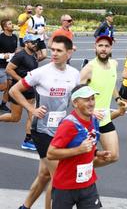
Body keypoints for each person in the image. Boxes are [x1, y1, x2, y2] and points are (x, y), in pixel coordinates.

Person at [10, 35, 80, 209]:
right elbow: (14, 91)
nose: (54, 53)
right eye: (52, 50)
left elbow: (75, 100)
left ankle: (25, 207)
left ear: (69, 53)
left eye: (59, 50)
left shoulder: (74, 74)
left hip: (61, 131)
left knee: (44, 175)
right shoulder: (41, 72)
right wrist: (31, 109)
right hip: (41, 131)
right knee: (59, 176)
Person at [47, 84, 111, 209]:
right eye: (87, 100)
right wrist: (78, 150)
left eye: (93, 98)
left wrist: (97, 153)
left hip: (88, 183)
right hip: (66, 186)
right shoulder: (68, 125)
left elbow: (88, 143)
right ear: (75, 103)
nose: (91, 103)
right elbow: (51, 153)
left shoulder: (93, 120)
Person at [80, 35, 127, 168]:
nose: (103, 49)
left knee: (113, 156)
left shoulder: (114, 64)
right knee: (85, 154)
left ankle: (83, 167)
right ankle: (79, 168)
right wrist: (91, 111)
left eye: (106, 46)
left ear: (110, 48)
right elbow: (76, 96)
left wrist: (118, 99)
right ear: (95, 47)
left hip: (105, 119)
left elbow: (111, 84)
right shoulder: (89, 68)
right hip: (88, 121)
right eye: (100, 45)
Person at [0, 34, 38, 151]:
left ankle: (28, 140)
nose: (35, 44)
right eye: (32, 42)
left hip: (30, 90)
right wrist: (21, 81)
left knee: (33, 114)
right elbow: (8, 69)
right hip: (18, 90)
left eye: (35, 42)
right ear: (26, 43)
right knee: (15, 117)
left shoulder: (34, 55)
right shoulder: (20, 55)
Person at [0, 19, 18, 112]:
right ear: (5, 27)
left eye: (12, 23)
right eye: (10, 24)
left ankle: (3, 105)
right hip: (1, 66)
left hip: (10, 66)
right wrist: (3, 55)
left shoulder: (15, 37)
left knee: (9, 85)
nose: (12, 25)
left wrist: (15, 53)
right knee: (3, 86)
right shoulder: (0, 37)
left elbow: (14, 50)